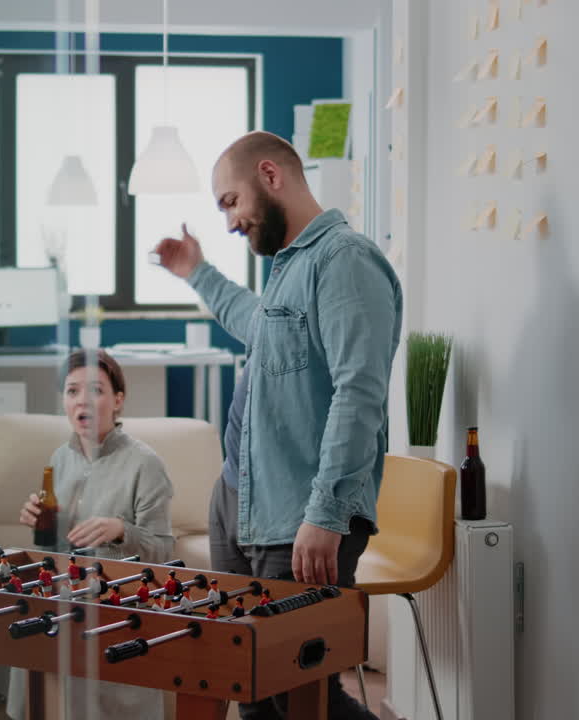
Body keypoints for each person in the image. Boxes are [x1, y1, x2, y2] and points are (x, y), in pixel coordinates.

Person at [153, 130, 401, 719]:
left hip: (299, 516)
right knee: (252, 692)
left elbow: (360, 393)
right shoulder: (290, 268)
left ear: (270, 176)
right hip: (241, 504)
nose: (231, 221)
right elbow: (255, 321)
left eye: (230, 202)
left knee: (302, 696)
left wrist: (325, 512)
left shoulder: (345, 260)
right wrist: (197, 272)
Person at [11, 349, 174, 719]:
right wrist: (38, 520)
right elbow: (54, 546)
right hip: (63, 599)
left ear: (118, 400)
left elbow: (164, 554)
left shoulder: (145, 464)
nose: (82, 400)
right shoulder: (58, 459)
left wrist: (121, 532)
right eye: (72, 391)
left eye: (95, 390)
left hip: (118, 605)